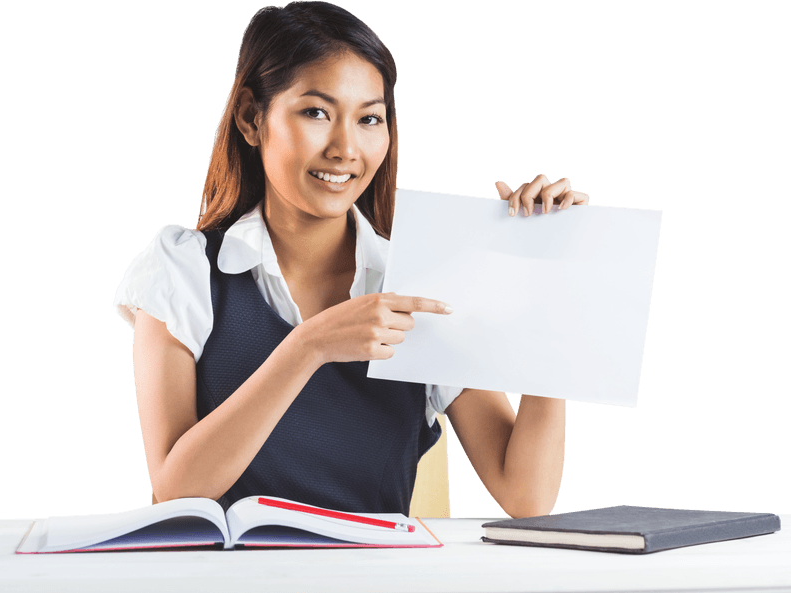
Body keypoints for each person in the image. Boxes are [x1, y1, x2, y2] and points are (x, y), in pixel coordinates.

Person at [114, 1, 587, 519]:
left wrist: (548, 281)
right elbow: (176, 492)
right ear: (252, 117)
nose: (345, 147)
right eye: (316, 112)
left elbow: (526, 494)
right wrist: (308, 347)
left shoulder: (420, 282)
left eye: (369, 119)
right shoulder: (183, 271)